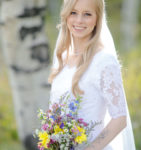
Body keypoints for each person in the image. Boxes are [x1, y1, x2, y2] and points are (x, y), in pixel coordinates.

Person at [48, 0, 136, 149]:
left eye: (87, 14)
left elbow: (120, 119)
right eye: (73, 13)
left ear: (97, 19)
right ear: (66, 16)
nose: (79, 20)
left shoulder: (104, 61)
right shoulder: (62, 57)